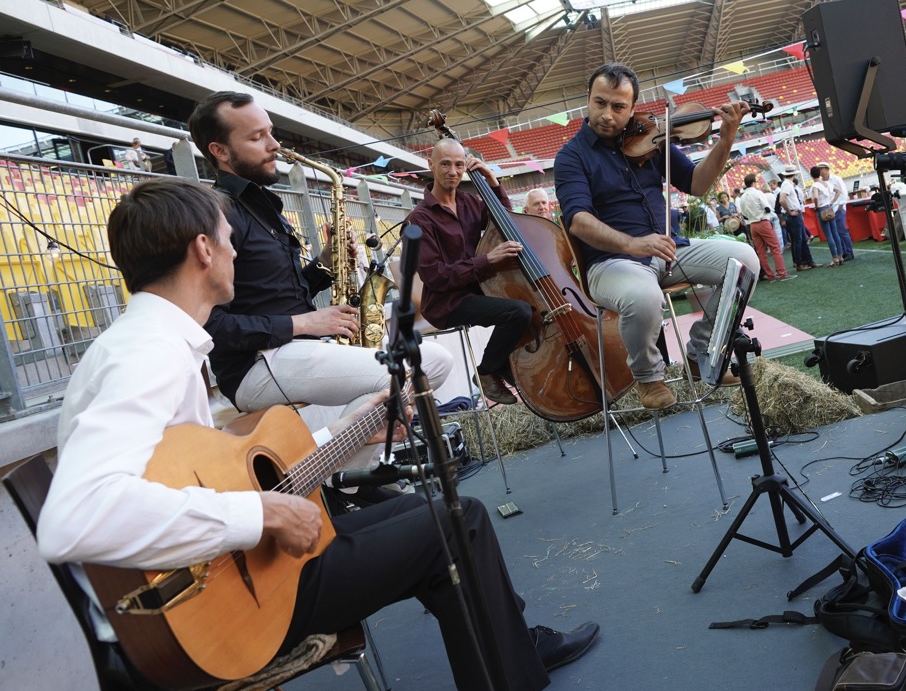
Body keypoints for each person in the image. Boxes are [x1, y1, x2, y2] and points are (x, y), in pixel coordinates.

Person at [36, 177, 599, 691]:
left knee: (425, 511)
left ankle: (511, 652)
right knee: (459, 520)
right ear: (204, 250)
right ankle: (509, 675)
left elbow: (213, 476)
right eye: (230, 241)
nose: (236, 253)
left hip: (225, 576)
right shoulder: (145, 356)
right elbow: (76, 519)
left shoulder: (153, 344)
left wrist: (348, 432)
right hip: (207, 609)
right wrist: (262, 514)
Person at [188, 91, 453, 449]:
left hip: (295, 350)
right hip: (256, 365)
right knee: (409, 371)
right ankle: (345, 481)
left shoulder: (265, 206)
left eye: (270, 131)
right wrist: (306, 323)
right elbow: (208, 325)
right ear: (219, 151)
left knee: (434, 360)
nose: (274, 145)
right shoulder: (217, 216)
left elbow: (278, 291)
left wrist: (327, 264)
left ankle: (346, 480)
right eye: (256, 137)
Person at [554, 63, 760, 409]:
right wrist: (633, 243)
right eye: (599, 103)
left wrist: (725, 139)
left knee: (746, 262)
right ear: (588, 100)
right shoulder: (571, 156)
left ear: (632, 108)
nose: (607, 115)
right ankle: (648, 378)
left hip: (669, 250)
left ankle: (701, 352)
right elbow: (578, 221)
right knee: (643, 296)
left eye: (618, 107)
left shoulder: (651, 136)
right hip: (612, 262)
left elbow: (697, 184)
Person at [405, 138, 532, 405]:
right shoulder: (418, 219)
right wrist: (487, 260)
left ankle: (503, 365)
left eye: (459, 164)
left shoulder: (471, 202)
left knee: (530, 306)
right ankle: (487, 371)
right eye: (445, 164)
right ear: (431, 165)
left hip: (479, 290)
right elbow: (435, 276)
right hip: (447, 303)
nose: (453, 171)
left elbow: (506, 221)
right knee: (518, 312)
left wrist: (492, 180)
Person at [737, 173, 790, 282]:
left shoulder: (742, 197)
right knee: (775, 247)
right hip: (763, 222)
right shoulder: (757, 193)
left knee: (761, 252)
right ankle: (782, 273)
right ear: (753, 182)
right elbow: (767, 208)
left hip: (752, 225)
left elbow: (744, 214)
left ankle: (770, 276)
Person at [814, 162, 855, 265]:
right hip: (831, 209)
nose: (820, 171)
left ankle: (849, 252)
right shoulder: (823, 182)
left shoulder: (836, 179)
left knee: (842, 231)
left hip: (838, 207)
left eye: (822, 169)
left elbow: (843, 192)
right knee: (836, 232)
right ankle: (843, 252)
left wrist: (841, 204)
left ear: (827, 169)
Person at [778, 166, 815, 271]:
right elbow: (782, 200)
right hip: (793, 214)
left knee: (800, 239)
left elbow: (782, 200)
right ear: (793, 175)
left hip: (793, 214)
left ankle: (806, 261)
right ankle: (800, 263)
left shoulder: (786, 184)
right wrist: (790, 211)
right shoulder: (787, 185)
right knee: (798, 240)